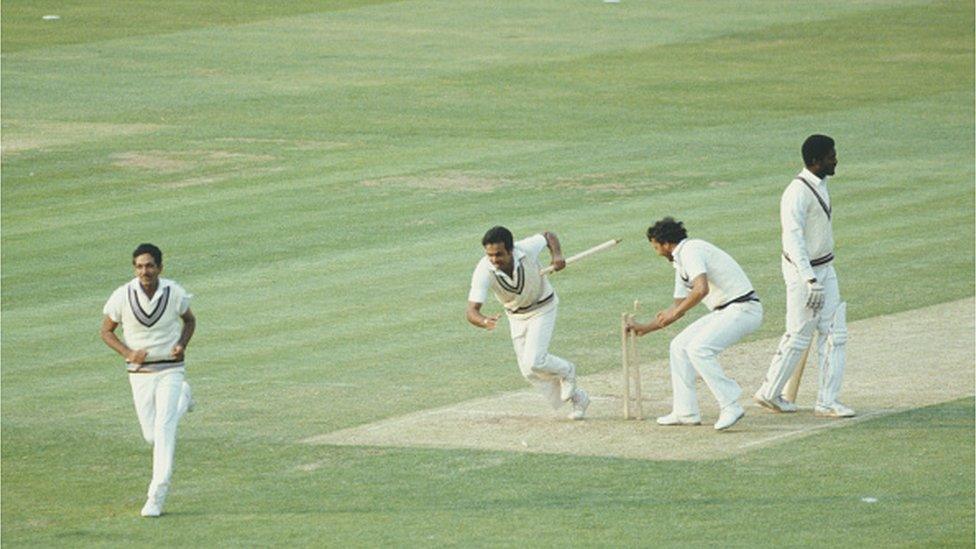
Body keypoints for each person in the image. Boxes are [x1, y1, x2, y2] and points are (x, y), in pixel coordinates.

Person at [626, 217, 762, 431]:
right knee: (679, 346)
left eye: (655, 247)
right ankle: (685, 412)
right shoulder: (679, 262)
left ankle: (730, 404)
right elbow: (677, 308)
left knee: (699, 349)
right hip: (724, 311)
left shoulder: (690, 250)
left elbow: (701, 289)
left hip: (744, 309)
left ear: (665, 243)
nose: (657, 252)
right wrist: (643, 328)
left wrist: (675, 313)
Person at [753, 134, 855, 418]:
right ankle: (769, 392)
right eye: (831, 156)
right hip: (803, 272)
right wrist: (809, 279)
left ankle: (827, 401)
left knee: (835, 333)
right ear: (815, 160)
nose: (835, 160)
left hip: (826, 267)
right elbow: (793, 240)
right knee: (799, 334)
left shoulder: (820, 184)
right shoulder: (796, 193)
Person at [100, 243, 196, 517]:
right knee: (151, 435)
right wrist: (128, 352)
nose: (145, 271)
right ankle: (185, 398)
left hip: (170, 369)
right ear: (134, 269)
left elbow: (189, 321)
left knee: (164, 429)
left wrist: (181, 344)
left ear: (160, 268)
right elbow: (106, 331)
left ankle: (157, 494)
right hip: (139, 373)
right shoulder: (122, 296)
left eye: (150, 266)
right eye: (140, 266)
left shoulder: (174, 292)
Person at [466, 226, 589, 419]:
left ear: (511, 249)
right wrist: (483, 321)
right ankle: (578, 397)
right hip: (516, 316)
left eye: (498, 254)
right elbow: (472, 311)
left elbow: (549, 235)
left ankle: (567, 370)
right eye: (489, 255)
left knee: (535, 360)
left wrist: (557, 255)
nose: (494, 260)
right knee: (529, 371)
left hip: (543, 307)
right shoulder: (484, 269)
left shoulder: (526, 248)